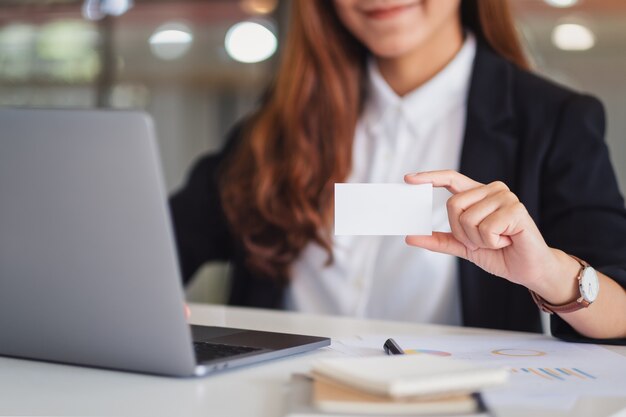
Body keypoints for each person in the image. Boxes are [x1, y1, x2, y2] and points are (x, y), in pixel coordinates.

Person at [170, 0, 626, 342]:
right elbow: (165, 242)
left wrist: (547, 273)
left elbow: (621, 307)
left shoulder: (552, 120)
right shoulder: (280, 120)